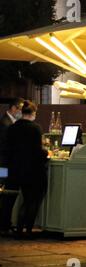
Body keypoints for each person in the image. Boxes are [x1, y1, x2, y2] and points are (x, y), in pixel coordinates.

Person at [0, 101, 48, 238]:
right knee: (31, 200)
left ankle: (7, 227)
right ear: (33, 113)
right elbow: (37, 151)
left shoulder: (12, 127)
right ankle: (26, 229)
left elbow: (8, 149)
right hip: (31, 171)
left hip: (14, 170)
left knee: (9, 200)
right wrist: (46, 154)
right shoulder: (36, 128)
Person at [0, 98, 23, 168]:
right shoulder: (5, 123)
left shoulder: (13, 120)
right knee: (3, 177)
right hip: (4, 163)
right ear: (13, 108)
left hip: (9, 161)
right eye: (21, 109)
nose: (22, 112)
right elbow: (6, 145)